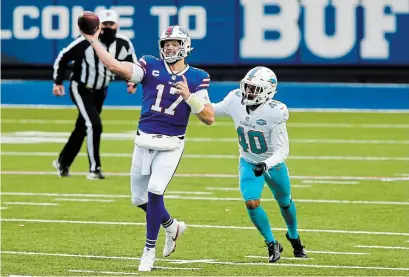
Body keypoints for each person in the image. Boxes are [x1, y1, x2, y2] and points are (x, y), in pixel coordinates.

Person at [80, 25, 214, 271]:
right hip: (144, 140)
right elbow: (115, 66)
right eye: (166, 44)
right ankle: (172, 225)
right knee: (138, 199)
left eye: (174, 43)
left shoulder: (197, 76)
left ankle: (148, 252)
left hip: (171, 144)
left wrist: (189, 97)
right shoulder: (150, 64)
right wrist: (94, 40)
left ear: (185, 46)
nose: (170, 47)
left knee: (154, 191)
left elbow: (209, 118)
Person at [211, 66, 307, 263]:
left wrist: (266, 164)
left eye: (255, 89)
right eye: (248, 87)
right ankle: (272, 243)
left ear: (267, 92)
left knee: (285, 202)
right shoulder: (235, 99)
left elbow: (283, 150)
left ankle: (294, 236)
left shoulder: (275, 112)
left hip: (273, 164)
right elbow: (212, 110)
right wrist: (190, 98)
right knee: (251, 202)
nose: (248, 92)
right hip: (247, 161)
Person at [52, 9, 137, 180]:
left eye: (110, 24)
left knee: (82, 127)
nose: (107, 28)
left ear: (116, 25)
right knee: (94, 125)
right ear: (98, 26)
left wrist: (132, 81)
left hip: (101, 90)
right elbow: (63, 57)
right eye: (104, 24)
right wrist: (58, 82)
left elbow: (131, 63)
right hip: (81, 87)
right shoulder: (85, 42)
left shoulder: (123, 43)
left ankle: (63, 161)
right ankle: (94, 169)